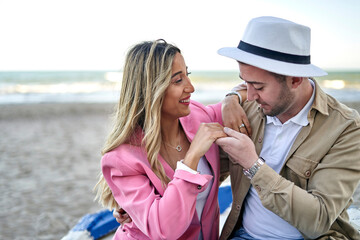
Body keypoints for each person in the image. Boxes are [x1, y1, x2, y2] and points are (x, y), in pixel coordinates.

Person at [215, 16, 360, 239]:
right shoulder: (249, 106)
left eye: (259, 86)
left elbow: (318, 220)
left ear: (295, 79)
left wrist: (253, 165)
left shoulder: (346, 128)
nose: (251, 96)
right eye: (246, 83)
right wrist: (230, 97)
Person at [93, 39, 248, 240]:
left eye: (187, 75)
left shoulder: (199, 116)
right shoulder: (121, 159)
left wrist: (230, 98)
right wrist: (191, 160)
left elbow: (254, 87)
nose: (191, 88)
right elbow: (164, 230)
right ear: (151, 90)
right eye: (178, 80)